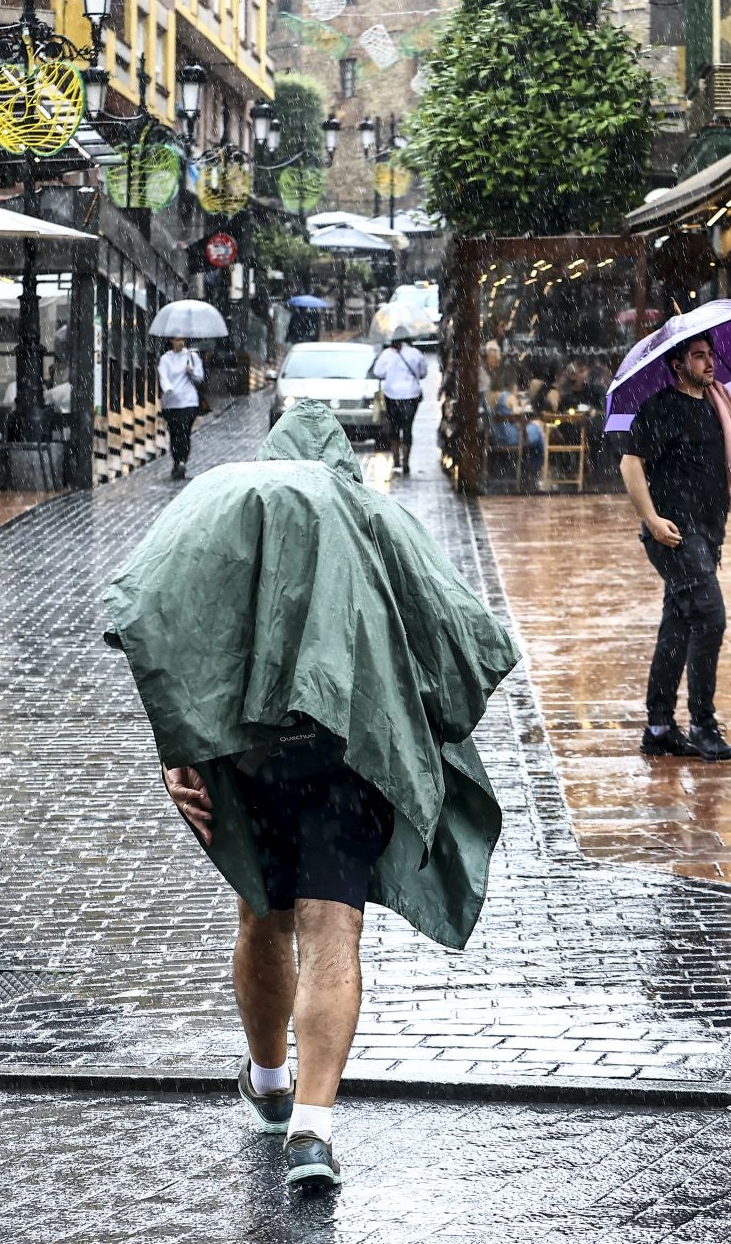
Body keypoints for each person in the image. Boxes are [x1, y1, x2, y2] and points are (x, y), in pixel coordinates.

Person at [104, 402, 520, 1191]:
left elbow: (144, 610)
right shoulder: (368, 512)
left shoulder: (223, 501)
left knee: (264, 915)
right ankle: (312, 1132)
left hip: (248, 757)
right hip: (347, 753)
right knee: (334, 933)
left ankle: (266, 1083)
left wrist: (179, 750)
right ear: (340, 457)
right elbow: (471, 636)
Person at [618, 334, 731, 763]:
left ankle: (659, 727)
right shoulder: (661, 408)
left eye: (710, 355)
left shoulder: (719, 406)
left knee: (678, 625)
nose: (709, 362)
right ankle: (702, 724)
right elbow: (630, 463)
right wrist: (651, 519)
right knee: (710, 618)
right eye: (699, 356)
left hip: (709, 531)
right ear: (678, 365)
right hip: (676, 533)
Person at [373, 336, 428, 474]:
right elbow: (423, 373)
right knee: (408, 427)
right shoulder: (416, 353)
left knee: (394, 426)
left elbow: (378, 372)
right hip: (411, 395)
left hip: (391, 394)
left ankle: (396, 458)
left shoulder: (387, 354)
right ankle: (406, 462)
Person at [158, 336, 205, 479]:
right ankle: (177, 461)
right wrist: (168, 388)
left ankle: (182, 461)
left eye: (182, 339)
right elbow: (163, 377)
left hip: (188, 401)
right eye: (177, 339)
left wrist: (190, 371)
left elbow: (200, 377)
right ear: (171, 341)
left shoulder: (192, 356)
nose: (180, 342)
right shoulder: (166, 359)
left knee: (184, 432)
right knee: (174, 433)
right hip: (171, 402)